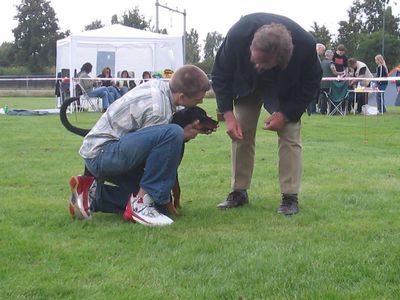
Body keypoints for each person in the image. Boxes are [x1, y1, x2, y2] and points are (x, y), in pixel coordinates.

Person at [69, 65, 213, 226]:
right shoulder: (159, 110)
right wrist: (180, 135)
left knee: (160, 204)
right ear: (181, 96)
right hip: (104, 155)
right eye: (197, 100)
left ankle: (91, 195)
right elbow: (150, 158)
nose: (200, 101)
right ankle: (140, 204)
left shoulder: (161, 87)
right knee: (172, 133)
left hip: (101, 153)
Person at [211, 13, 322, 215]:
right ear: (251, 46)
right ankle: (239, 191)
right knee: (240, 131)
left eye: (264, 64)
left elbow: (311, 84)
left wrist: (285, 114)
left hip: (284, 90)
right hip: (246, 85)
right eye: (255, 60)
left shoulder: (305, 46)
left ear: (282, 59)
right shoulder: (237, 35)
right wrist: (228, 115)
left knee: (290, 134)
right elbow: (220, 75)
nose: (259, 67)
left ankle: (290, 197)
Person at [319, 49, 336, 114]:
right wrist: (342, 73)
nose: (333, 56)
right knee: (331, 97)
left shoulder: (322, 62)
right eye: (332, 55)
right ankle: (332, 111)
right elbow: (334, 72)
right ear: (330, 55)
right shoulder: (330, 63)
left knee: (323, 97)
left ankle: (322, 111)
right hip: (329, 84)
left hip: (321, 83)